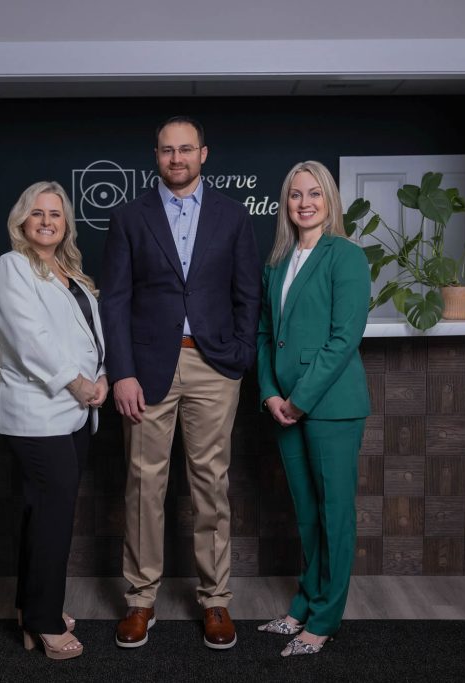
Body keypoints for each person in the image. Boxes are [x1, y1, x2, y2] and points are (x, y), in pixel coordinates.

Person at [100, 116, 261, 650]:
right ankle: (141, 601)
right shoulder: (128, 217)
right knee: (144, 484)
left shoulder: (234, 217)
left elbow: (248, 294)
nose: (176, 158)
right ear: (156, 156)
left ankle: (216, 600)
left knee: (211, 485)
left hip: (214, 368)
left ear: (204, 154)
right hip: (146, 372)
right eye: (167, 150)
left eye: (185, 149)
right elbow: (115, 300)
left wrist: (237, 357)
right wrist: (121, 371)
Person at [0, 181, 108, 661]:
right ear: (22, 220)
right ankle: (45, 621)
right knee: (54, 517)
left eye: (55, 214)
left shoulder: (70, 271)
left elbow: (90, 337)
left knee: (43, 514)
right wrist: (77, 383)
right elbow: (28, 338)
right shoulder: (12, 265)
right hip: (37, 414)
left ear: (66, 224)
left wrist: (101, 375)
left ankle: (29, 610)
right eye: (37, 212)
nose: (46, 221)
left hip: (75, 413)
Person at [255, 160, 371, 656]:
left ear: (329, 201)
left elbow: (344, 338)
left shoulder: (345, 256)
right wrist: (269, 393)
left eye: (314, 194)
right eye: (295, 195)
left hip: (330, 406)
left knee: (334, 515)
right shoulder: (278, 261)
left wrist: (299, 400)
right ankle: (304, 603)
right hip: (284, 407)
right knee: (307, 514)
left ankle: (324, 619)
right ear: (286, 204)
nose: (304, 203)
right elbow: (266, 336)